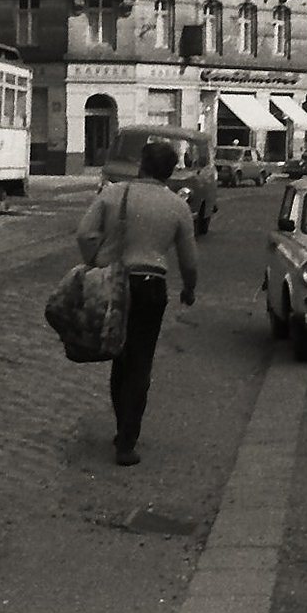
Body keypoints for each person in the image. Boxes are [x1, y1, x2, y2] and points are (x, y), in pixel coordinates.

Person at [75, 140, 200, 467]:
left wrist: (95, 262)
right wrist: (189, 289)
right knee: (141, 362)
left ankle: (122, 428)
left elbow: (85, 233)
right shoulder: (177, 206)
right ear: (171, 171)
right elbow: (189, 261)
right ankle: (127, 440)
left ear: (141, 165)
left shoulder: (114, 194)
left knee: (120, 355)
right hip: (151, 286)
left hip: (115, 281)